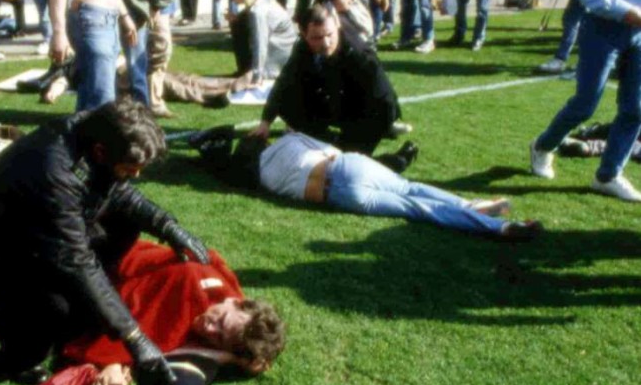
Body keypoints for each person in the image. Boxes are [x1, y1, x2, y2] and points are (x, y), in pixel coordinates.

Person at [0, 98, 211, 385]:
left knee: (124, 223)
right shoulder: (54, 171)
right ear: (101, 152)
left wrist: (166, 225)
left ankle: (87, 302)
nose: (135, 176)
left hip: (27, 230)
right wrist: (134, 337)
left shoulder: (96, 130)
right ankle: (2, 330)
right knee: (58, 306)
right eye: (130, 167)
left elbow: (116, 192)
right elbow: (76, 259)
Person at [9, 241, 285, 385]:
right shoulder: (188, 286)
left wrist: (221, 353)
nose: (209, 328)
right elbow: (132, 323)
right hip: (91, 266)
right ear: (236, 303)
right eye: (219, 319)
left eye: (218, 337)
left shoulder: (232, 299)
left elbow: (251, 357)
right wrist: (114, 362)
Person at [190, 129, 542, 240]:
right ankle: (470, 205)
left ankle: (500, 226)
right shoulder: (291, 138)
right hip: (347, 164)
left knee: (417, 208)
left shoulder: (263, 180)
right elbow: (331, 149)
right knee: (411, 188)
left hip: (338, 192)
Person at [529, 0, 641, 202]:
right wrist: (629, 12)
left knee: (636, 108)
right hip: (605, 27)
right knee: (586, 103)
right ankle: (543, 145)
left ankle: (608, 175)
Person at [249, 3, 414, 170]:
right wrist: (265, 122)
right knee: (288, 103)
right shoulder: (302, 48)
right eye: (317, 38)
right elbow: (284, 82)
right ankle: (327, 138)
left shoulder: (359, 54)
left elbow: (383, 100)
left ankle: (396, 160)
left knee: (345, 165)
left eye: (329, 34)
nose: (326, 43)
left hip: (367, 111)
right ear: (304, 34)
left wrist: (380, 128)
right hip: (336, 101)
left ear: (337, 24)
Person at [226, 0, 298, 82]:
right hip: (285, 51)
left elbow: (260, 45)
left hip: (279, 61)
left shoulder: (258, 12)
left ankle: (252, 73)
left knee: (239, 28)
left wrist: (256, 75)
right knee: (238, 24)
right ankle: (246, 71)